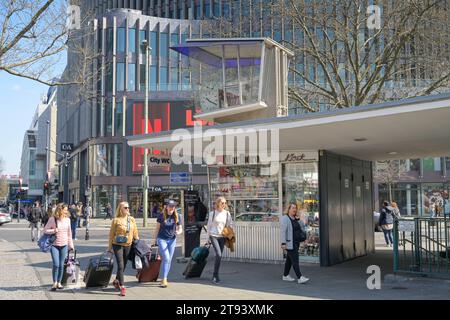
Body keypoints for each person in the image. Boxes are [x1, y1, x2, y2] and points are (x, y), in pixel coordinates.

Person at [108, 201, 139, 297]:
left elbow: (135, 233)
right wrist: (110, 248)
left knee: (123, 266)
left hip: (128, 245)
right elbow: (111, 234)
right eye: (125, 207)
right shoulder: (116, 220)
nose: (128, 209)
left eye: (128, 207)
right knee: (120, 265)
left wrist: (138, 242)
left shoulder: (132, 219)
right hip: (117, 245)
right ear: (120, 209)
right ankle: (122, 286)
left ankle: (116, 281)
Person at [43, 203, 74, 291]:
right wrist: (54, 230)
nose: (66, 211)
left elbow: (69, 234)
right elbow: (45, 230)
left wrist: (71, 245)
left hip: (64, 244)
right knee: (56, 264)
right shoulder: (52, 219)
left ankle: (59, 282)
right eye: (65, 209)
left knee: (61, 265)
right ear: (60, 210)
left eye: (66, 210)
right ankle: (54, 282)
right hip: (54, 245)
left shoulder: (68, 220)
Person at [153, 199, 182, 288]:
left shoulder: (177, 216)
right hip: (162, 239)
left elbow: (180, 228)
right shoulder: (161, 216)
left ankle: (164, 278)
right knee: (166, 258)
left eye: (173, 206)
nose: (172, 208)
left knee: (168, 260)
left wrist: (178, 232)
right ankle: (164, 279)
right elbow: (157, 228)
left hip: (172, 240)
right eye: (170, 206)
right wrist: (154, 240)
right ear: (166, 207)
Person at [280, 203, 310, 284]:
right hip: (290, 243)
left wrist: (299, 219)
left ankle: (285, 275)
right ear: (288, 209)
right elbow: (283, 231)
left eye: (295, 208)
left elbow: (302, 227)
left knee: (289, 260)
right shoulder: (285, 218)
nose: (294, 209)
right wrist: (283, 243)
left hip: (296, 242)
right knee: (295, 260)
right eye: (292, 208)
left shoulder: (295, 218)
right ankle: (300, 277)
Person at [207, 196, 234, 284]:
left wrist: (229, 231)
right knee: (218, 254)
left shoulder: (227, 213)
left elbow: (230, 223)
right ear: (218, 203)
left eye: (225, 203)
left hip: (222, 236)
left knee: (219, 256)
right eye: (222, 203)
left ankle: (215, 275)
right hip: (213, 235)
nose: (224, 204)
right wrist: (208, 238)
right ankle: (215, 276)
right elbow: (209, 226)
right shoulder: (213, 213)